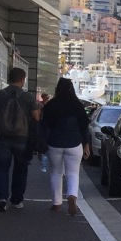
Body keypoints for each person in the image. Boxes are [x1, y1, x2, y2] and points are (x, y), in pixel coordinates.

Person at [0, 67, 41, 211]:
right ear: (22, 79)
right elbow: (36, 117)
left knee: (1, 168)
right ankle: (16, 200)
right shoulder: (28, 97)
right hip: (22, 138)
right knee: (21, 169)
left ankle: (2, 198)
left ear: (9, 78)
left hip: (1, 136)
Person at [40, 77, 91, 215]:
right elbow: (84, 127)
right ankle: (72, 196)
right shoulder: (78, 105)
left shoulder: (51, 105)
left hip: (55, 143)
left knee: (56, 172)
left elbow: (44, 126)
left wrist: (43, 144)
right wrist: (86, 145)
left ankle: (56, 203)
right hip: (74, 143)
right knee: (73, 173)